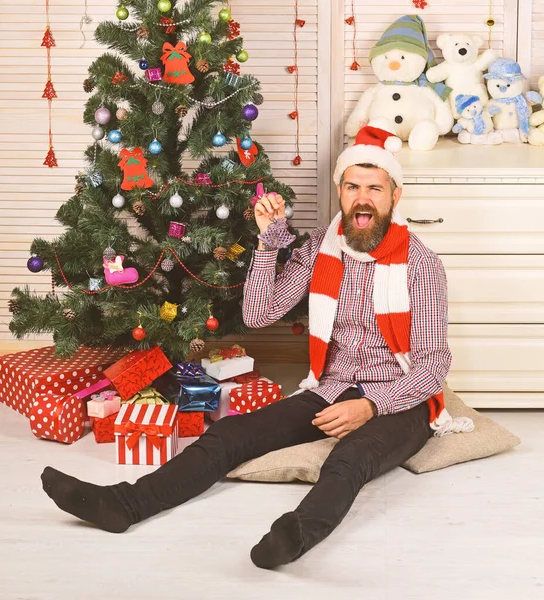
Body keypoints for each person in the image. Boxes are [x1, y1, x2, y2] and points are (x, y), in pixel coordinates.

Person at [40, 126, 472, 570]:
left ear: (394, 197)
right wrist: (268, 240)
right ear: (340, 193)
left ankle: (297, 533)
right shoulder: (320, 249)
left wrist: (370, 406)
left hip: (401, 398)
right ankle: (124, 505)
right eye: (352, 187)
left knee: (353, 456)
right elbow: (261, 313)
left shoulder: (421, 265)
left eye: (374, 189)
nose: (362, 199)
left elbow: (433, 365)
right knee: (229, 434)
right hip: (332, 386)